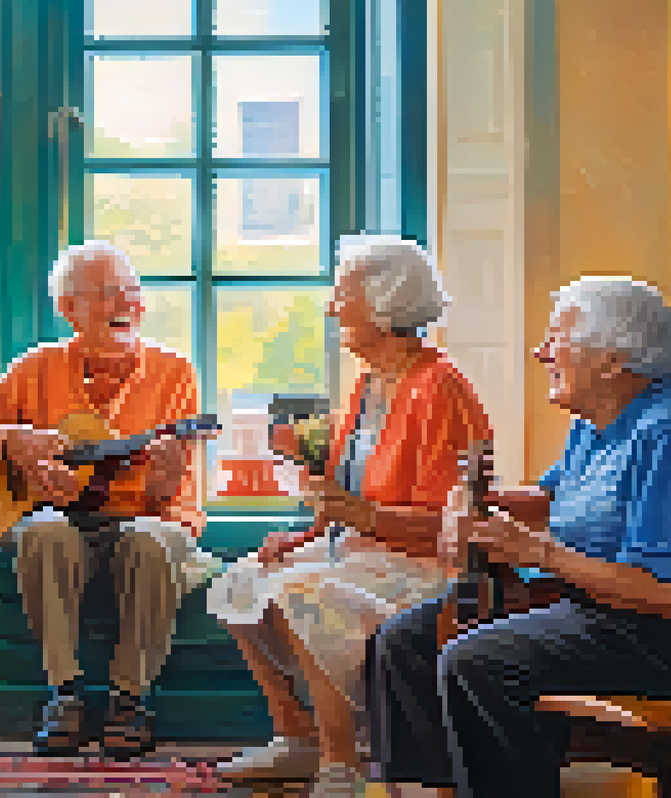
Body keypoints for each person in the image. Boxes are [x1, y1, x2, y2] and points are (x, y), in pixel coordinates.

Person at [367, 276, 671, 798]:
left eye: (558, 339)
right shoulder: (596, 422)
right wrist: (473, 506)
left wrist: (536, 552)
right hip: (584, 607)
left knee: (478, 661)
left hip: (652, 634)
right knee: (405, 641)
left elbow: (670, 594)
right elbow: (548, 498)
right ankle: (429, 792)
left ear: (613, 360)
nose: (541, 352)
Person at [206, 236, 490, 797]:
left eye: (344, 295)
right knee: (239, 581)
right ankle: (298, 737)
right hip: (363, 548)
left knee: (305, 593)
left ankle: (344, 764)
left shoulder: (440, 389)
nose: (333, 307)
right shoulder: (367, 383)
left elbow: (451, 526)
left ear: (385, 306)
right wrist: (307, 533)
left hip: (429, 567)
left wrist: (358, 516)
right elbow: (345, 495)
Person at [0, 240, 220, 759]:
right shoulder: (33, 370)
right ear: (68, 310)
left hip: (140, 522)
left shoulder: (175, 374)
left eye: (132, 290)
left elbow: (174, 503)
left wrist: (165, 478)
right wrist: (13, 441)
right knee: (45, 531)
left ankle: (130, 701)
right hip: (55, 524)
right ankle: (66, 695)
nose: (128, 303)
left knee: (151, 541)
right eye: (109, 293)